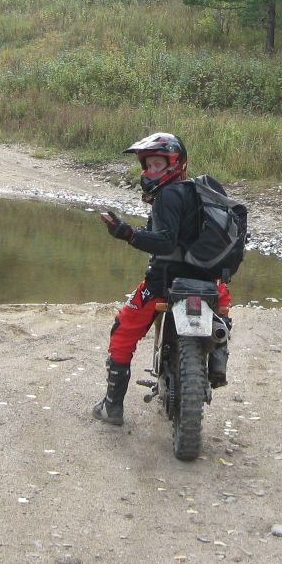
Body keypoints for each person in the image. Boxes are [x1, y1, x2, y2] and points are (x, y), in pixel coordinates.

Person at [93, 132, 234, 426]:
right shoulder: (200, 192)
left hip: (164, 283)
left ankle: (112, 407)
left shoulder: (168, 196)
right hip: (210, 283)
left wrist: (128, 233)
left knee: (122, 332)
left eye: (157, 164)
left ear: (175, 164)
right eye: (148, 165)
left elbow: (166, 242)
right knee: (222, 313)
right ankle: (218, 357)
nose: (150, 171)